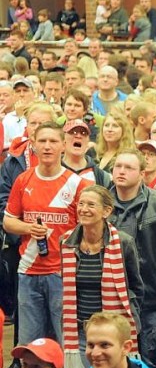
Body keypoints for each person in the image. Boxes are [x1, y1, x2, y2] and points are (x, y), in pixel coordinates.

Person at [3, 122, 88, 346]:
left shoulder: (76, 183)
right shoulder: (23, 180)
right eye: (42, 141)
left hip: (64, 273)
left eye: (53, 141)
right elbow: (8, 222)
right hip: (28, 271)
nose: (47, 146)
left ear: (63, 145)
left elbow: (89, 230)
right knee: (31, 345)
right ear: (33, 145)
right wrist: (28, 228)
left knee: (67, 343)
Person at [60, 185, 143, 368]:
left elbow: (136, 288)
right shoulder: (66, 243)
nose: (83, 209)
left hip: (112, 333)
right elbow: (67, 289)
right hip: (80, 333)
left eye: (91, 204)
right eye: (81, 204)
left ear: (106, 211)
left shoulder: (123, 242)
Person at [109, 149, 156, 332]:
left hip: (153, 303)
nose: (121, 171)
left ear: (142, 174)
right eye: (118, 166)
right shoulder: (102, 204)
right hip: (111, 301)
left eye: (128, 168)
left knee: (152, 358)